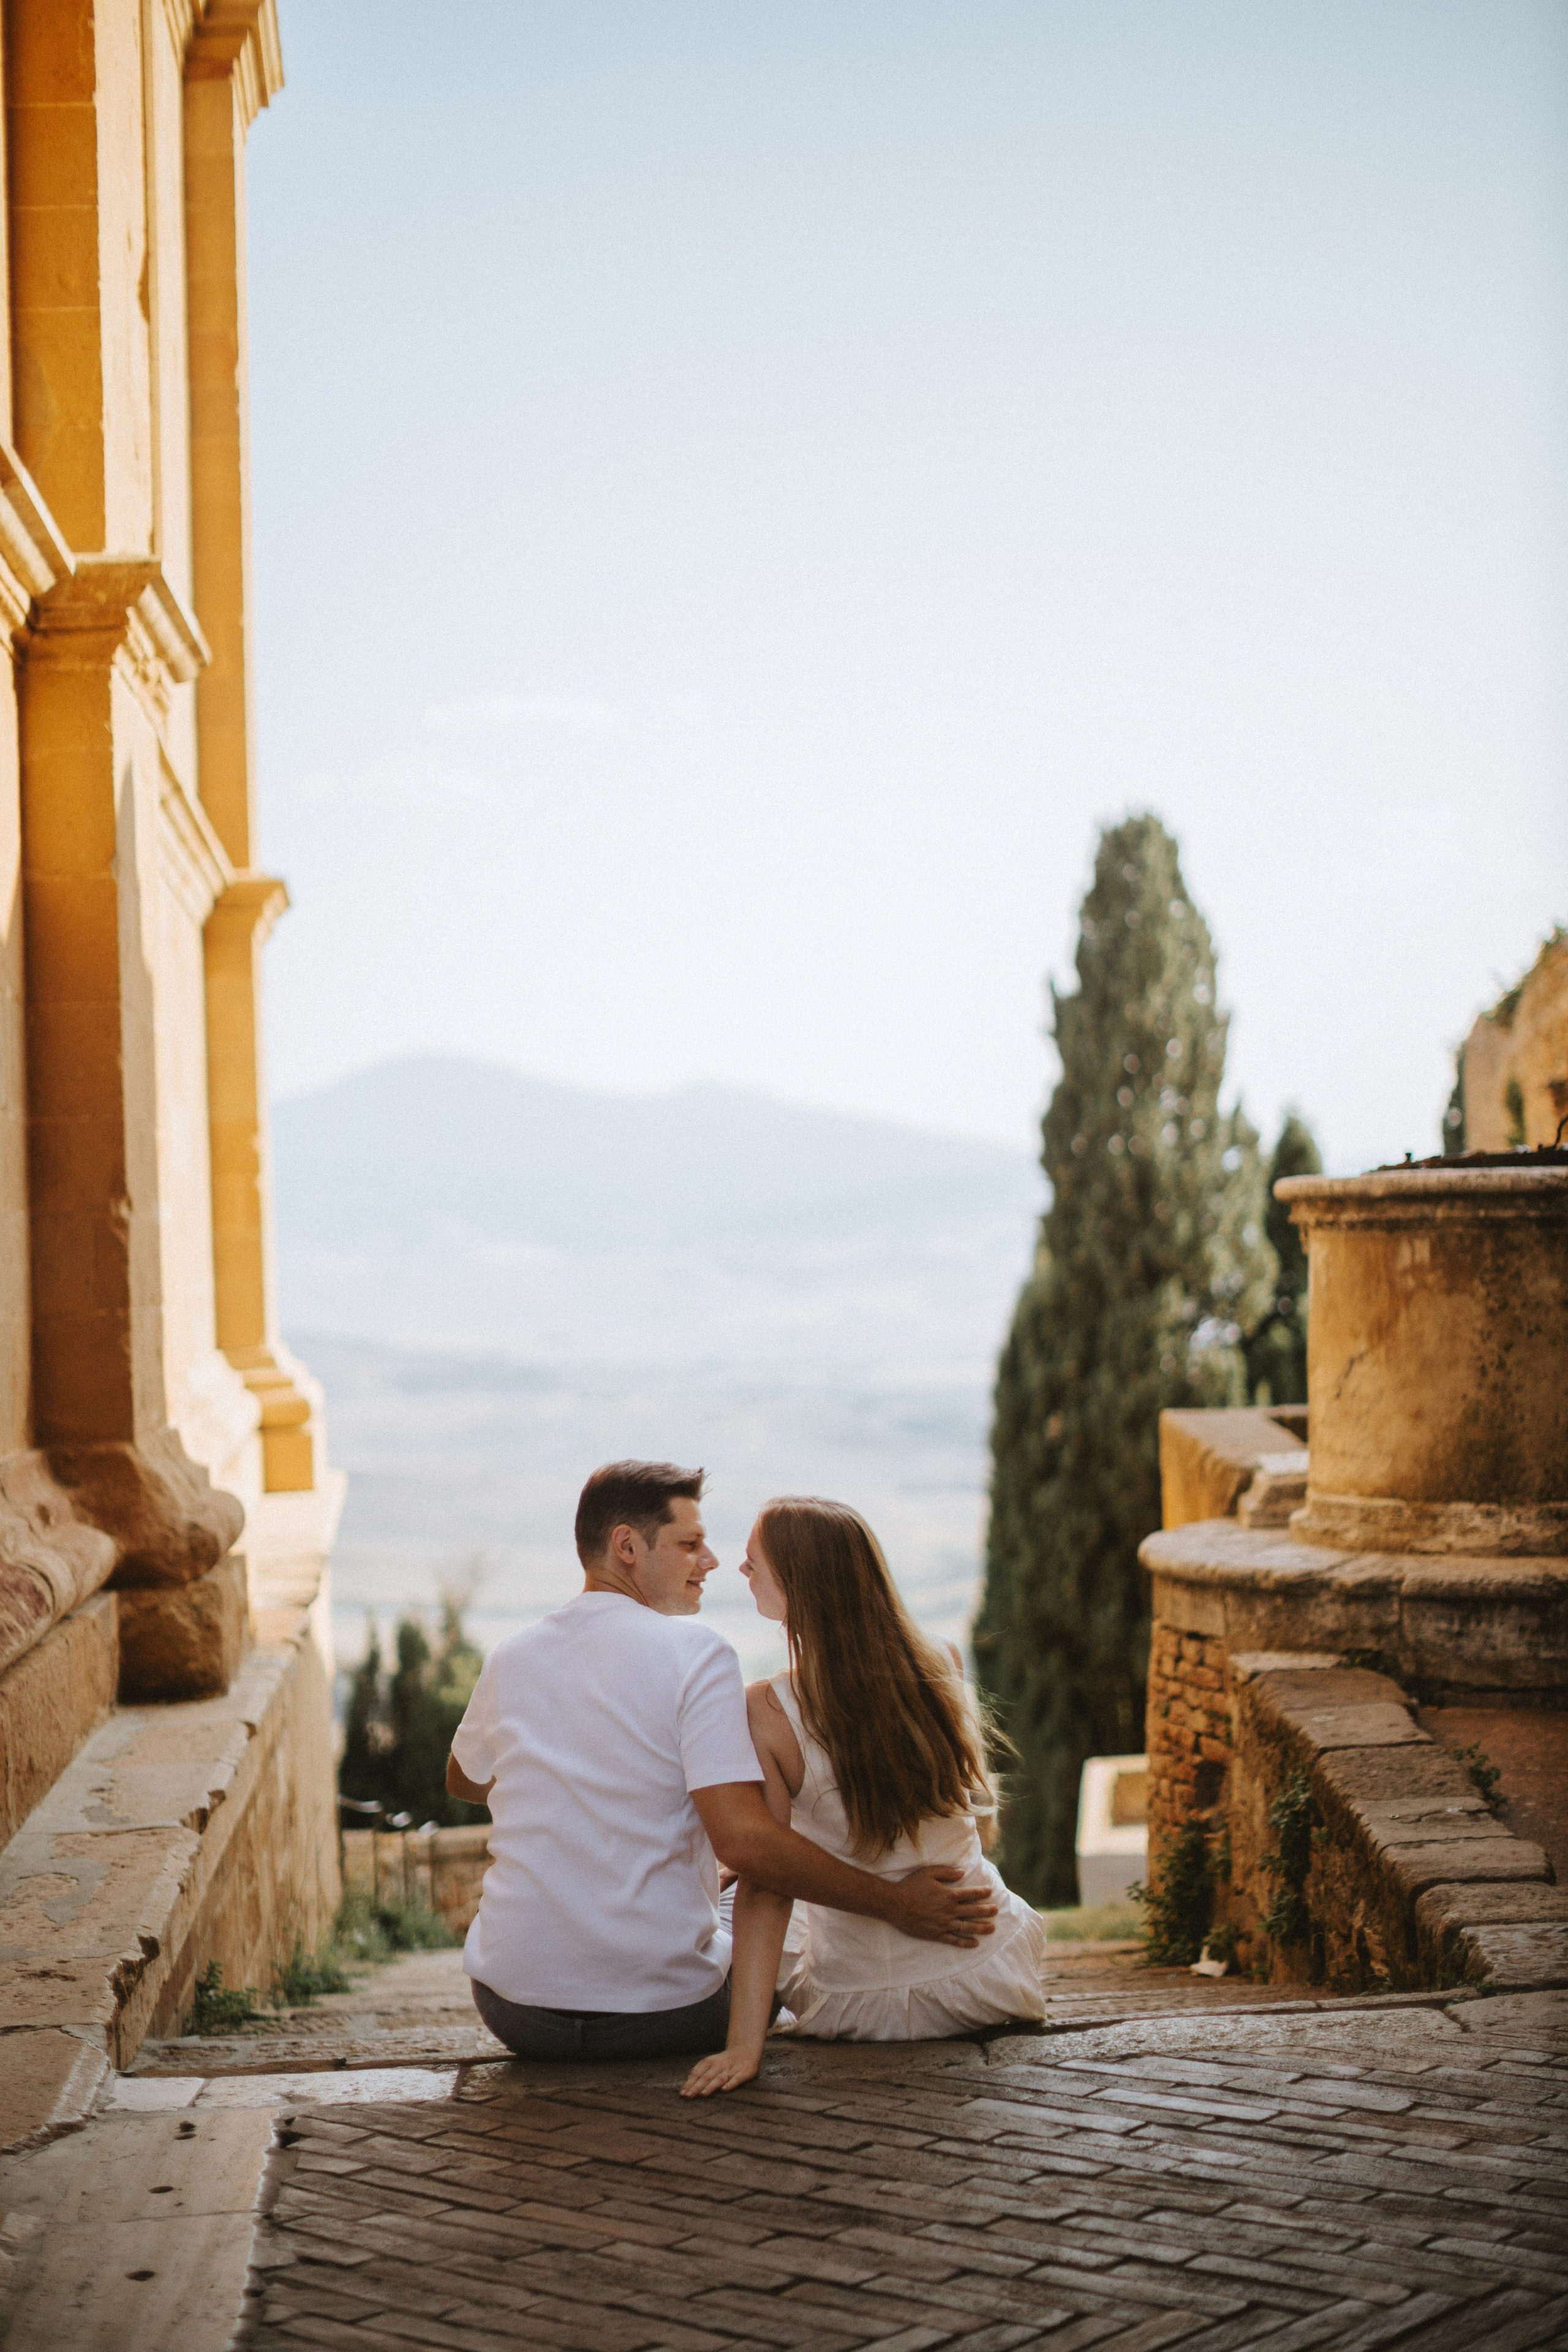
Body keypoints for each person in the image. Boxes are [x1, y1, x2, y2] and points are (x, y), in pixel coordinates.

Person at [445, 1460, 998, 2062]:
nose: (710, 1562)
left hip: (514, 2011)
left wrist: (567, 1769)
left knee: (740, 1883)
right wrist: (897, 1903)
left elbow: (464, 1779)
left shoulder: (513, 1654)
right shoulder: (698, 1651)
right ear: (626, 1546)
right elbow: (748, 1845)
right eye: (689, 1545)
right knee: (756, 1887)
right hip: (666, 2018)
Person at [682, 1495, 1047, 2096]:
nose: (741, 1571)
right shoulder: (941, 1662)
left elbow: (768, 1887)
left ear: (799, 1585)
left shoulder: (765, 1710)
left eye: (754, 1563)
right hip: (986, 1980)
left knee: (746, 1881)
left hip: (856, 2006)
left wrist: (743, 2048)